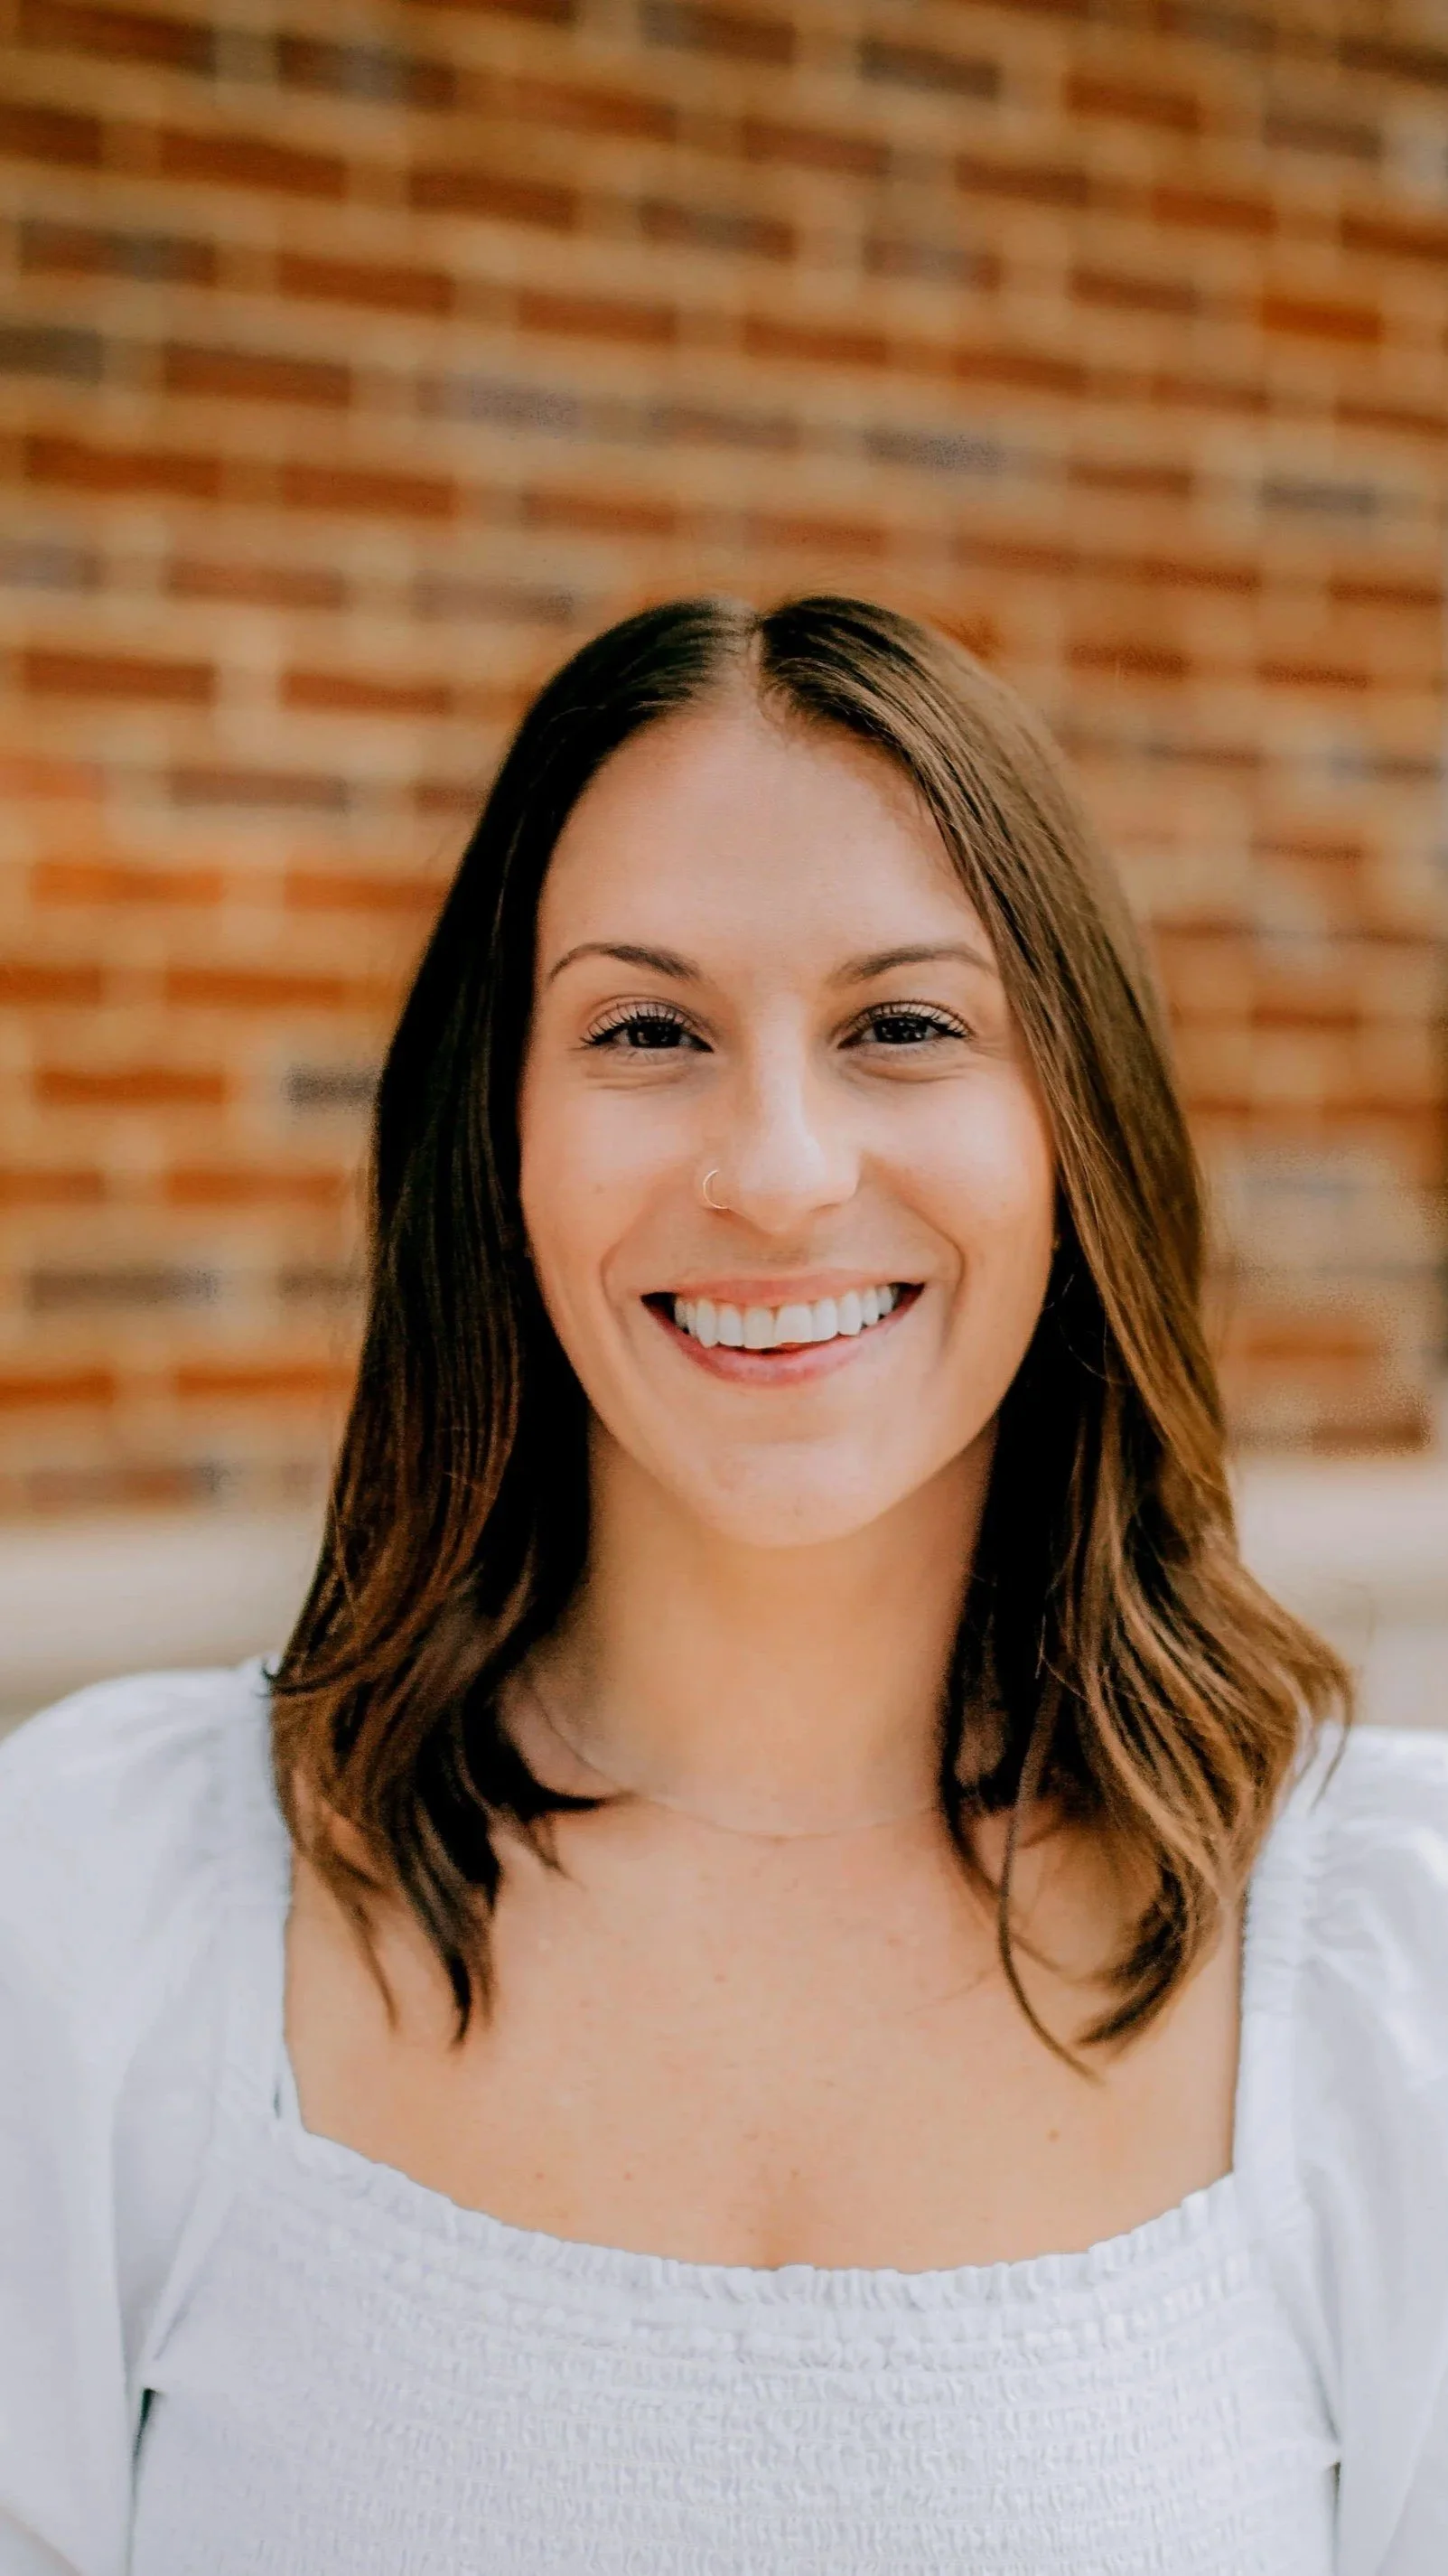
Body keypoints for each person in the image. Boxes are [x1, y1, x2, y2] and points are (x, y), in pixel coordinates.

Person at [1, 595, 1444, 2575]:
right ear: (498, 1131)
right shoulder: (99, 1908)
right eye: (646, 1029)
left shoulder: (1391, 1977)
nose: (775, 1169)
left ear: (1072, 1133)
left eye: (905, 1027)